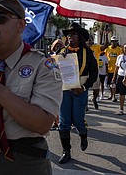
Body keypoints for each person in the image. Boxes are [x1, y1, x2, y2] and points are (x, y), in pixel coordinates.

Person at [0, 0, 62, 175]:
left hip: (24, 161)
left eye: (0, 18)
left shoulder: (43, 65)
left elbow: (42, 123)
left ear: (21, 25)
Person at [57, 22, 98, 164]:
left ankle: (83, 134)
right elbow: (55, 71)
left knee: (78, 121)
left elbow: (94, 73)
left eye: (73, 34)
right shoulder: (61, 52)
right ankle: (66, 151)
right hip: (65, 91)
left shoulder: (88, 53)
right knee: (64, 123)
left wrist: (85, 87)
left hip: (80, 91)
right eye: (68, 35)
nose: (70, 37)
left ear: (79, 37)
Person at [86, 33, 109, 109]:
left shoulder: (97, 47)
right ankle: (85, 105)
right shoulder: (83, 48)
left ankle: (94, 99)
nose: (89, 40)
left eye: (91, 39)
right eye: (88, 39)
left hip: (95, 71)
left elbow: (106, 45)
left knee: (96, 90)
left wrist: (106, 35)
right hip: (85, 71)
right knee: (84, 89)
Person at [50, 39, 65, 131]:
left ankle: (62, 122)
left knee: (63, 105)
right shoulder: (50, 57)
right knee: (54, 104)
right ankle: (55, 122)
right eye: (56, 46)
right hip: (53, 83)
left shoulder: (67, 56)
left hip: (65, 84)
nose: (58, 48)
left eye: (60, 46)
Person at [112, 43, 126, 115]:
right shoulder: (120, 57)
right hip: (121, 75)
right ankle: (121, 108)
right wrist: (114, 77)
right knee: (122, 93)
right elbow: (116, 68)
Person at [105, 36, 122, 102]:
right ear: (111, 42)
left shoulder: (119, 49)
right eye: (112, 41)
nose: (114, 42)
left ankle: (114, 96)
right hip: (109, 69)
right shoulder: (107, 49)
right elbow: (105, 59)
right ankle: (111, 94)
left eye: (115, 41)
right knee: (110, 83)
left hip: (116, 70)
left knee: (114, 83)